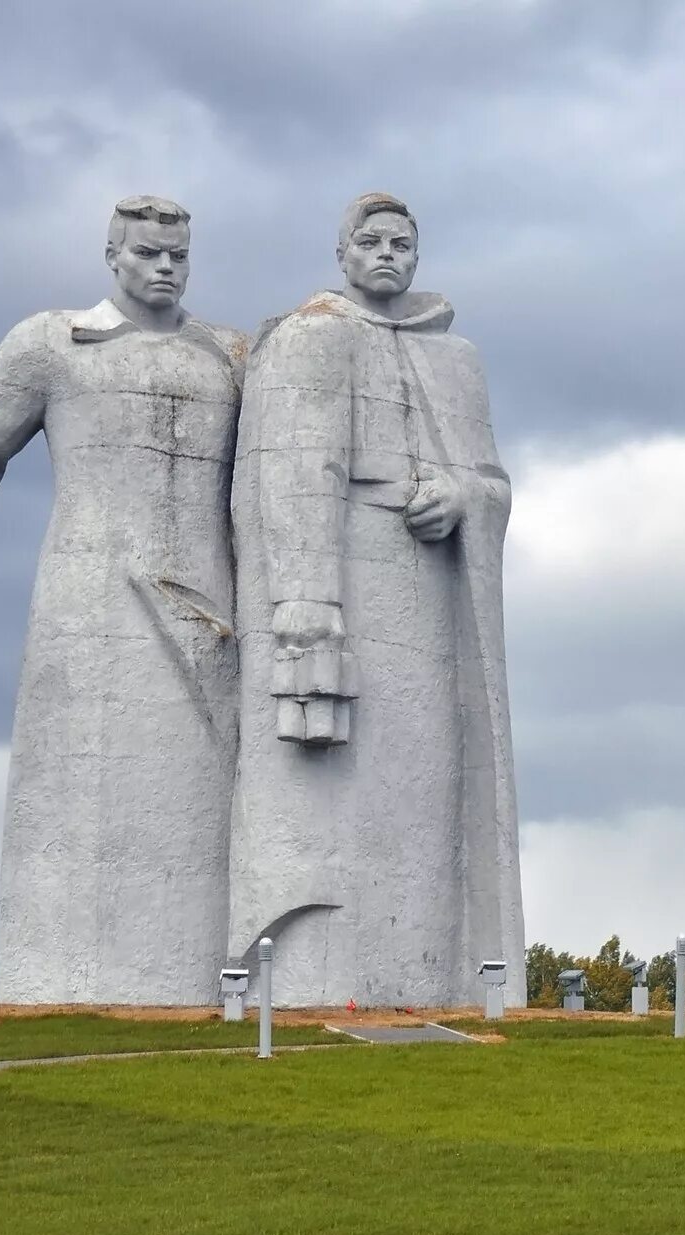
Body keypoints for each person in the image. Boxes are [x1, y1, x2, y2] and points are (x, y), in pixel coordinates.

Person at [0, 196, 245, 1003]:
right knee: (78, 799)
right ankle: (63, 980)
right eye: (149, 252)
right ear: (113, 255)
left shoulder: (227, 355)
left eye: (179, 256)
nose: (165, 267)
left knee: (196, 800)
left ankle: (197, 989)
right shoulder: (53, 342)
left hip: (212, 614)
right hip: (88, 608)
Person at [227, 193, 524, 1007]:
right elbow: (286, 473)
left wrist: (461, 496)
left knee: (424, 793)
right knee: (323, 798)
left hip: (426, 593)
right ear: (343, 253)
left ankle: (429, 976)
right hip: (342, 588)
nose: (388, 252)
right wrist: (307, 601)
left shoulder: (457, 359)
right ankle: (309, 980)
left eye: (403, 241)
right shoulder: (310, 337)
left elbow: (491, 479)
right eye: (372, 240)